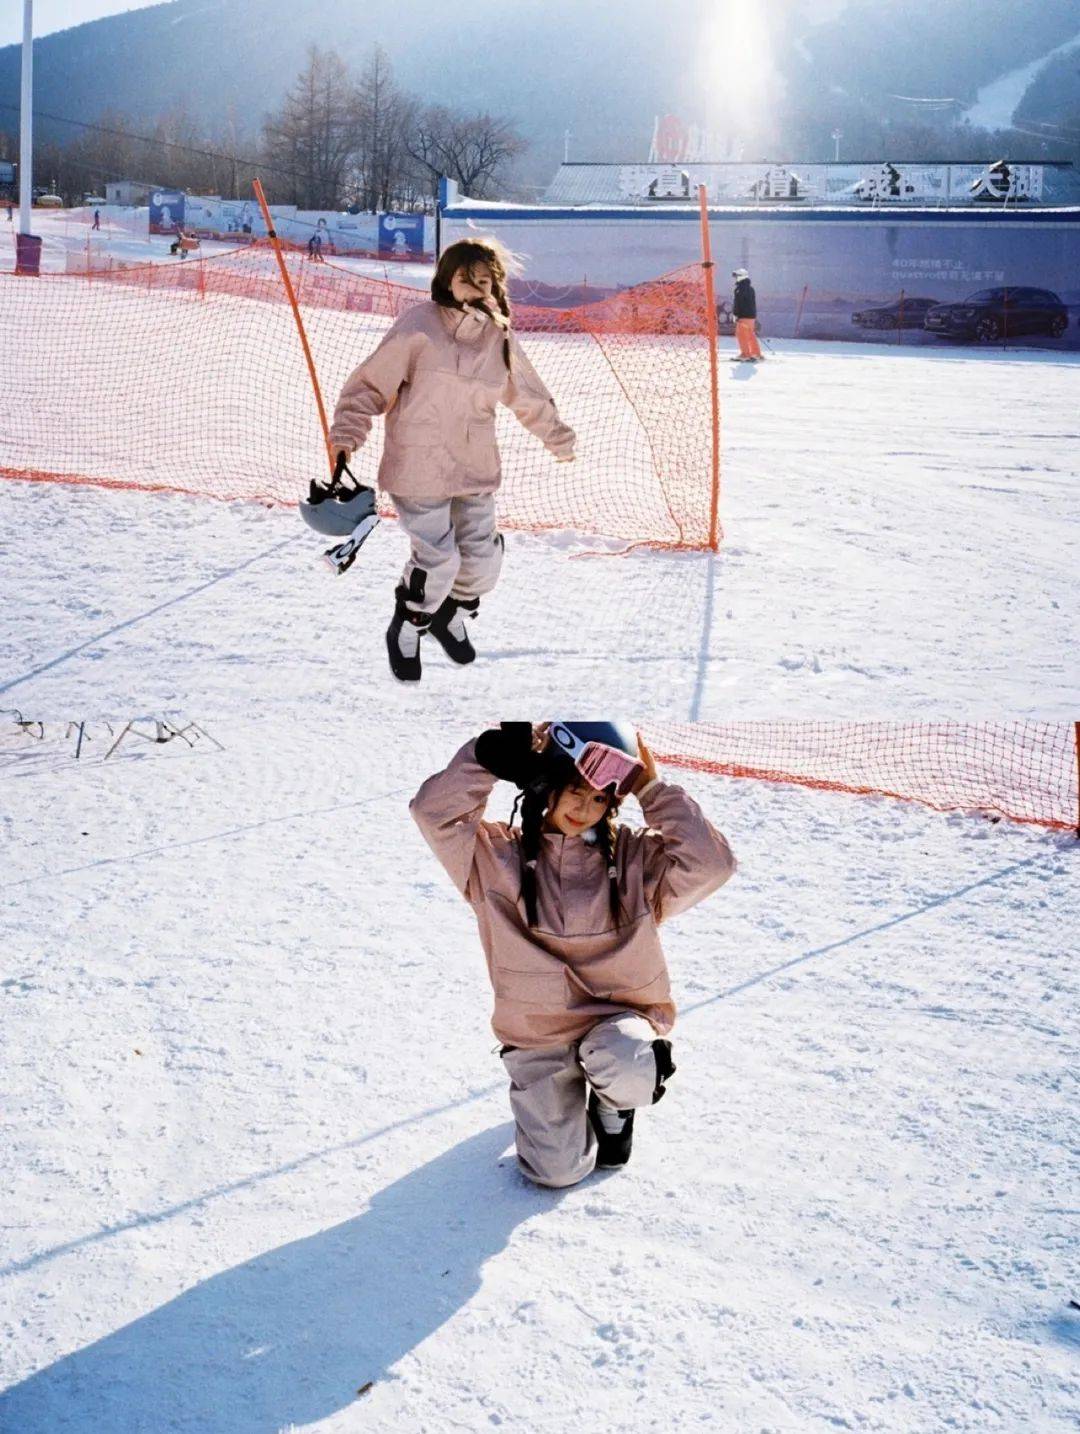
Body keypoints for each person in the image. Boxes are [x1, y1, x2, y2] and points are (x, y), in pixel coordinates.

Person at [410, 722, 736, 1187]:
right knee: (557, 1172)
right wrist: (483, 757)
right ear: (546, 785)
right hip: (538, 1032)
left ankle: (612, 1106)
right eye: (575, 792)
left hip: (616, 1017)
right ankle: (551, 1105)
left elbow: (713, 863)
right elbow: (432, 814)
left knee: (629, 1063)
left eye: (601, 797)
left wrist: (651, 787)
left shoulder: (632, 858)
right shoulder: (493, 857)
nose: (586, 809)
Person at [328, 237, 576, 683]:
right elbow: (370, 385)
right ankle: (410, 621)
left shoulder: (498, 335)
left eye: (484, 281)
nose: (474, 288)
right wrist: (347, 434)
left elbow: (527, 393)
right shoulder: (418, 326)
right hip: (417, 467)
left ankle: (452, 614)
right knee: (438, 560)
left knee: (482, 562)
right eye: (465, 279)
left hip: (474, 465)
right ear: (446, 279)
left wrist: (555, 436)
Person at [732, 268, 763, 362]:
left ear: (741, 277)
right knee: (750, 335)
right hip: (751, 316)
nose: (735, 278)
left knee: (741, 335)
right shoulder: (750, 288)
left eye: (737, 276)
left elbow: (738, 303)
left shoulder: (739, 289)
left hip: (743, 316)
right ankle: (756, 353)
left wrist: (735, 314)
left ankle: (745, 354)